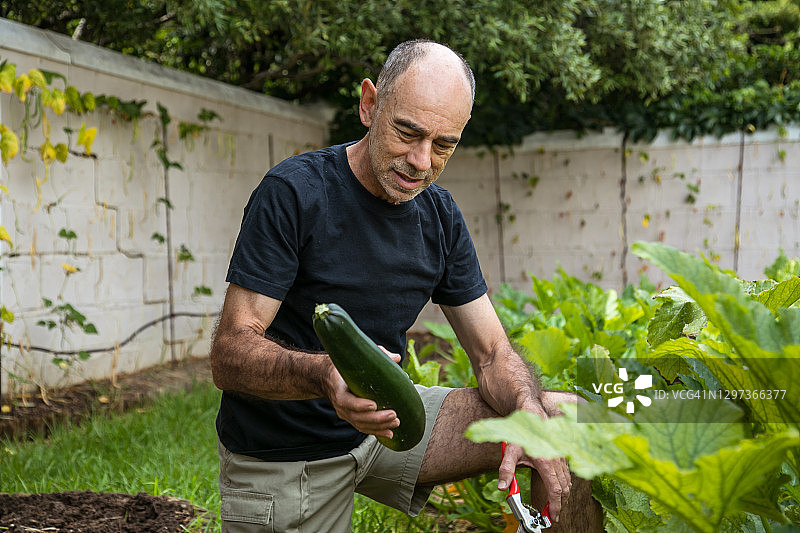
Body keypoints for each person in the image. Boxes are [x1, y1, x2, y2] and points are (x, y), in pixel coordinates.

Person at [210, 39, 600, 532]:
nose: (421, 161)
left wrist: (527, 413)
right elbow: (230, 353)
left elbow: (492, 354)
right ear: (369, 104)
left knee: (563, 421)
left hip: (389, 425)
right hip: (288, 455)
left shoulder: (439, 216)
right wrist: (326, 375)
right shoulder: (295, 193)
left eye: (443, 145)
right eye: (408, 133)